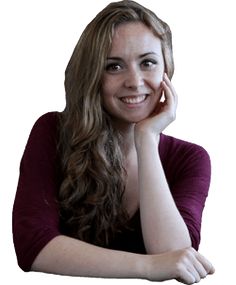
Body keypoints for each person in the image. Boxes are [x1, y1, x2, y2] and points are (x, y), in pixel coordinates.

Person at [13, 0, 215, 283]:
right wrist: (147, 267)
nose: (134, 81)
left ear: (166, 71)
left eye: (147, 62)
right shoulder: (52, 131)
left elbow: (176, 258)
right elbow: (32, 246)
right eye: (114, 66)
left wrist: (146, 138)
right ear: (93, 75)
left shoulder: (191, 159)